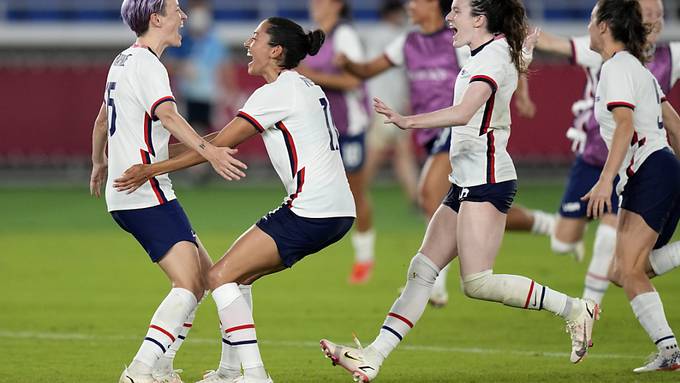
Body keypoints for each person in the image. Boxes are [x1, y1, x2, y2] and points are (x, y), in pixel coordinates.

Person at [318, 1, 598, 381]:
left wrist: (407, 121)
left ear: (479, 19)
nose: (448, 18)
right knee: (421, 269)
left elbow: (464, 111)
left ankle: (575, 308)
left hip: (487, 181)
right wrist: (525, 51)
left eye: (456, 11)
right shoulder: (482, 50)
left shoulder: (491, 58)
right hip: (466, 179)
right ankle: (373, 356)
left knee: (477, 283)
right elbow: (511, 57)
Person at [113, 17, 356, 383]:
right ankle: (228, 373)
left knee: (217, 276)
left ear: (275, 51)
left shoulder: (276, 93)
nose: (248, 43)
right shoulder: (304, 86)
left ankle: (255, 376)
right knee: (237, 278)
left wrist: (152, 168)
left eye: (255, 37)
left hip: (311, 209)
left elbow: (219, 144)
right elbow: (216, 140)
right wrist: (161, 155)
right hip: (335, 209)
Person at [339, 0, 553, 304]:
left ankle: (435, 285)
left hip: (450, 127)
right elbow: (366, 69)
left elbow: (496, 70)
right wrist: (343, 63)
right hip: (434, 131)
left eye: (417, 1)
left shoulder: (460, 41)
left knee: (428, 194)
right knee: (459, 230)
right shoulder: (409, 40)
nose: (410, 6)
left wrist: (521, 93)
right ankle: (548, 225)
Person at [88, 1, 247, 383]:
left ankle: (160, 366)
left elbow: (101, 119)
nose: (185, 16)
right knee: (190, 284)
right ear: (156, 18)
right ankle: (142, 370)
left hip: (136, 190)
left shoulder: (123, 61)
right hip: (145, 191)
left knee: (208, 276)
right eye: (177, 9)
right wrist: (210, 153)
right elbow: (169, 116)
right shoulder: (148, 64)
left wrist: (98, 162)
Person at [535, 0, 680, 306]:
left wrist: (606, 180)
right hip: (596, 157)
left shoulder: (656, 58)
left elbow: (644, 125)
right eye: (647, 14)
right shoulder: (608, 55)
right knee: (570, 244)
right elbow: (554, 43)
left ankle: (588, 307)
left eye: (660, 15)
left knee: (618, 254)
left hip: (636, 163)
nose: (654, 21)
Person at [582, 0, 680, 372]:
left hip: (651, 170)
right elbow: (674, 126)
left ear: (605, 26)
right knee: (622, 270)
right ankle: (669, 352)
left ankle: (670, 352)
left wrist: (605, 180)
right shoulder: (640, 71)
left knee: (629, 270)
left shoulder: (617, 68)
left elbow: (624, 126)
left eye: (592, 20)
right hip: (658, 170)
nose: (589, 27)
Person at [296, 0, 375, 284]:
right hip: (322, 126)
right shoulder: (314, 34)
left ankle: (364, 258)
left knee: (356, 192)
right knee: (311, 187)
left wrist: (310, 76)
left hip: (349, 124)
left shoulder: (344, 35)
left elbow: (354, 81)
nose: (315, 4)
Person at [166, 0, 233, 184]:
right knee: (192, 131)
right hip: (188, 94)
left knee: (205, 132)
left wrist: (228, 92)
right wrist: (183, 68)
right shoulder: (182, 39)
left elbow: (224, 67)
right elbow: (170, 65)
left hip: (209, 95)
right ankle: (197, 170)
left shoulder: (214, 41)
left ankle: (201, 168)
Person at [362, 0, 419, 208]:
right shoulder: (396, 35)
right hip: (386, 104)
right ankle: (355, 193)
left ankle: (415, 196)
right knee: (375, 152)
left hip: (388, 103)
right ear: (391, 14)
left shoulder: (376, 35)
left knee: (402, 152)